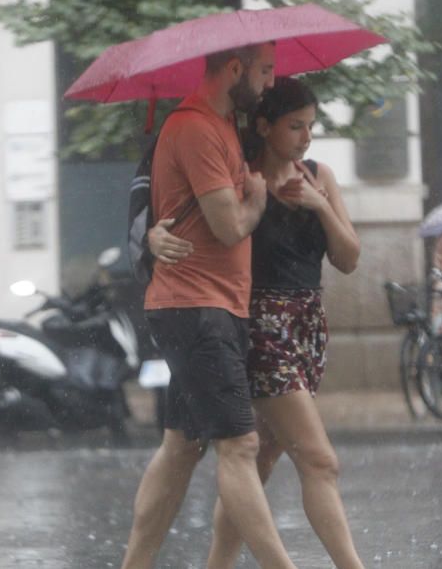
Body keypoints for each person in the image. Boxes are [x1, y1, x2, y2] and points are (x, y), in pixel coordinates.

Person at [150, 77, 364, 568]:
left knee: (260, 461)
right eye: (295, 126)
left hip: (307, 328)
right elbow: (192, 215)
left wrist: (321, 205)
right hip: (261, 327)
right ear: (265, 127)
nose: (306, 137)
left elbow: (349, 258)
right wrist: (151, 236)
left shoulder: (318, 176)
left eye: (311, 126)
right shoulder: (241, 177)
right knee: (319, 459)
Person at [120, 42, 298, 569]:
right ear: (235, 69)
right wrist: (257, 202)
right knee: (240, 445)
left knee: (181, 448)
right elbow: (229, 226)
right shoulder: (196, 127)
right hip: (196, 308)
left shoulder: (222, 126)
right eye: (265, 71)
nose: (269, 83)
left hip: (211, 306)